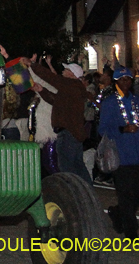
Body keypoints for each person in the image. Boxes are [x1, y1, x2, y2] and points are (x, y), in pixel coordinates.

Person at [98, 68, 139, 239]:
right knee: (125, 193)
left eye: (128, 79)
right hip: (120, 153)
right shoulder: (109, 103)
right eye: (122, 79)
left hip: (138, 152)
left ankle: (118, 212)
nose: (125, 82)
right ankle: (131, 229)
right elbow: (102, 129)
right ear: (116, 82)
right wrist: (122, 129)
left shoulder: (138, 101)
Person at [28, 55, 94, 186]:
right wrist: (42, 90)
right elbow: (55, 100)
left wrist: (32, 65)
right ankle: (86, 191)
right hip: (73, 133)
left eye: (66, 69)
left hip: (68, 132)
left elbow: (51, 78)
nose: (63, 71)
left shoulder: (70, 85)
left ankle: (73, 193)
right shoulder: (72, 89)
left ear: (71, 74)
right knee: (77, 165)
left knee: (67, 166)